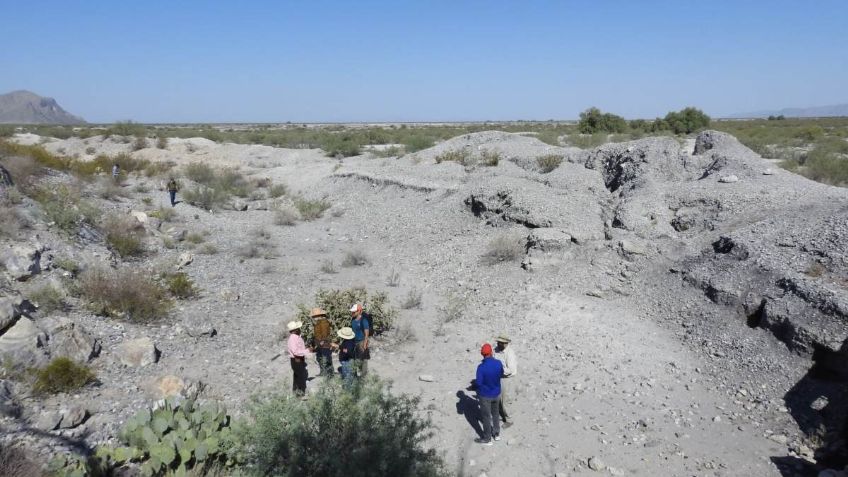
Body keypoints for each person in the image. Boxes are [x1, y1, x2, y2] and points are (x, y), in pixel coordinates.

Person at [475, 343, 503, 445]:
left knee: (486, 417)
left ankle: (487, 438)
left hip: (485, 395)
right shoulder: (499, 363)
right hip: (496, 394)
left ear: (482, 354)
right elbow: (501, 374)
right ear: (491, 352)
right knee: (495, 414)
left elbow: (478, 383)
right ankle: (496, 434)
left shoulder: (481, 367)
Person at [494, 334, 517, 427]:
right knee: (498, 397)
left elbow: (510, 370)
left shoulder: (510, 353)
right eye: (498, 342)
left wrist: (499, 369)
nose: (498, 344)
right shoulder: (496, 350)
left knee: (506, 399)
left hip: (507, 379)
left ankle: (509, 420)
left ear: (506, 343)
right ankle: (501, 414)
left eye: (501, 342)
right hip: (498, 377)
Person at [286, 320, 309, 397]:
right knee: (300, 376)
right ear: (295, 330)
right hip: (296, 359)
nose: (300, 329)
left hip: (298, 359)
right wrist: (307, 351)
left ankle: (296, 392)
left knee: (297, 376)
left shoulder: (296, 337)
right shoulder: (293, 339)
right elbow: (296, 352)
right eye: (298, 328)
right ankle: (301, 393)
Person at [310, 308, 333, 376]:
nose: (313, 317)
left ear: (318, 315)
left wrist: (322, 341)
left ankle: (329, 373)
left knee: (326, 358)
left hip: (324, 344)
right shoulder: (319, 322)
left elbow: (325, 333)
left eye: (314, 316)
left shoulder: (323, 322)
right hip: (319, 343)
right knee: (320, 358)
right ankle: (323, 372)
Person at [350, 303, 370, 377]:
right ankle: (356, 375)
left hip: (362, 341)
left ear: (359, 311)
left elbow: (366, 333)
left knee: (363, 359)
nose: (352, 313)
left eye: (354, 312)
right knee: (355, 359)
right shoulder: (353, 320)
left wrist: (365, 343)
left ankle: (363, 376)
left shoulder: (363, 320)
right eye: (352, 312)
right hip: (354, 341)